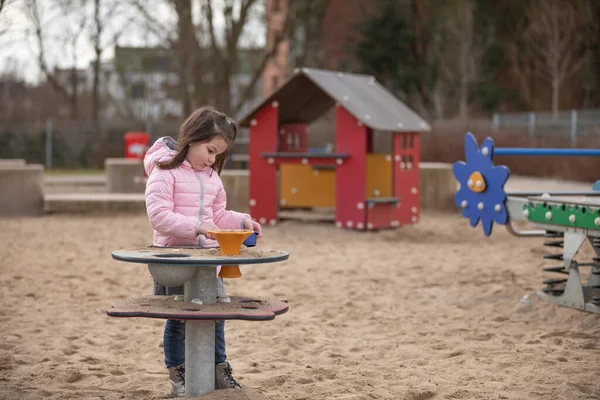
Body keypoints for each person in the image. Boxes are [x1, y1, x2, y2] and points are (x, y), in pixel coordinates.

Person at [143, 105, 262, 397]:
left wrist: (242, 221)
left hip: (208, 261)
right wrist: (196, 226)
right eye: (210, 150)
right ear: (193, 138)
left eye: (218, 155)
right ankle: (179, 374)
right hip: (174, 260)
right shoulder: (164, 171)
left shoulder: (212, 179)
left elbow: (218, 217)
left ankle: (220, 369)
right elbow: (158, 216)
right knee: (180, 318)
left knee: (216, 315)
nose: (212, 159)